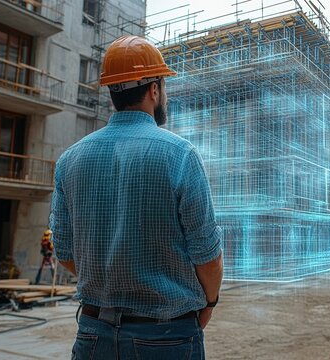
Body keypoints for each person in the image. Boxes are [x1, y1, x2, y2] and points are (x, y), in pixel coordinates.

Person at [50, 35, 223, 360]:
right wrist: (209, 301)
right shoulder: (180, 155)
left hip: (92, 334)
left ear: (112, 90)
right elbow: (207, 256)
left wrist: (111, 278)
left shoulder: (70, 160)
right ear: (154, 89)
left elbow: (65, 252)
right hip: (166, 336)